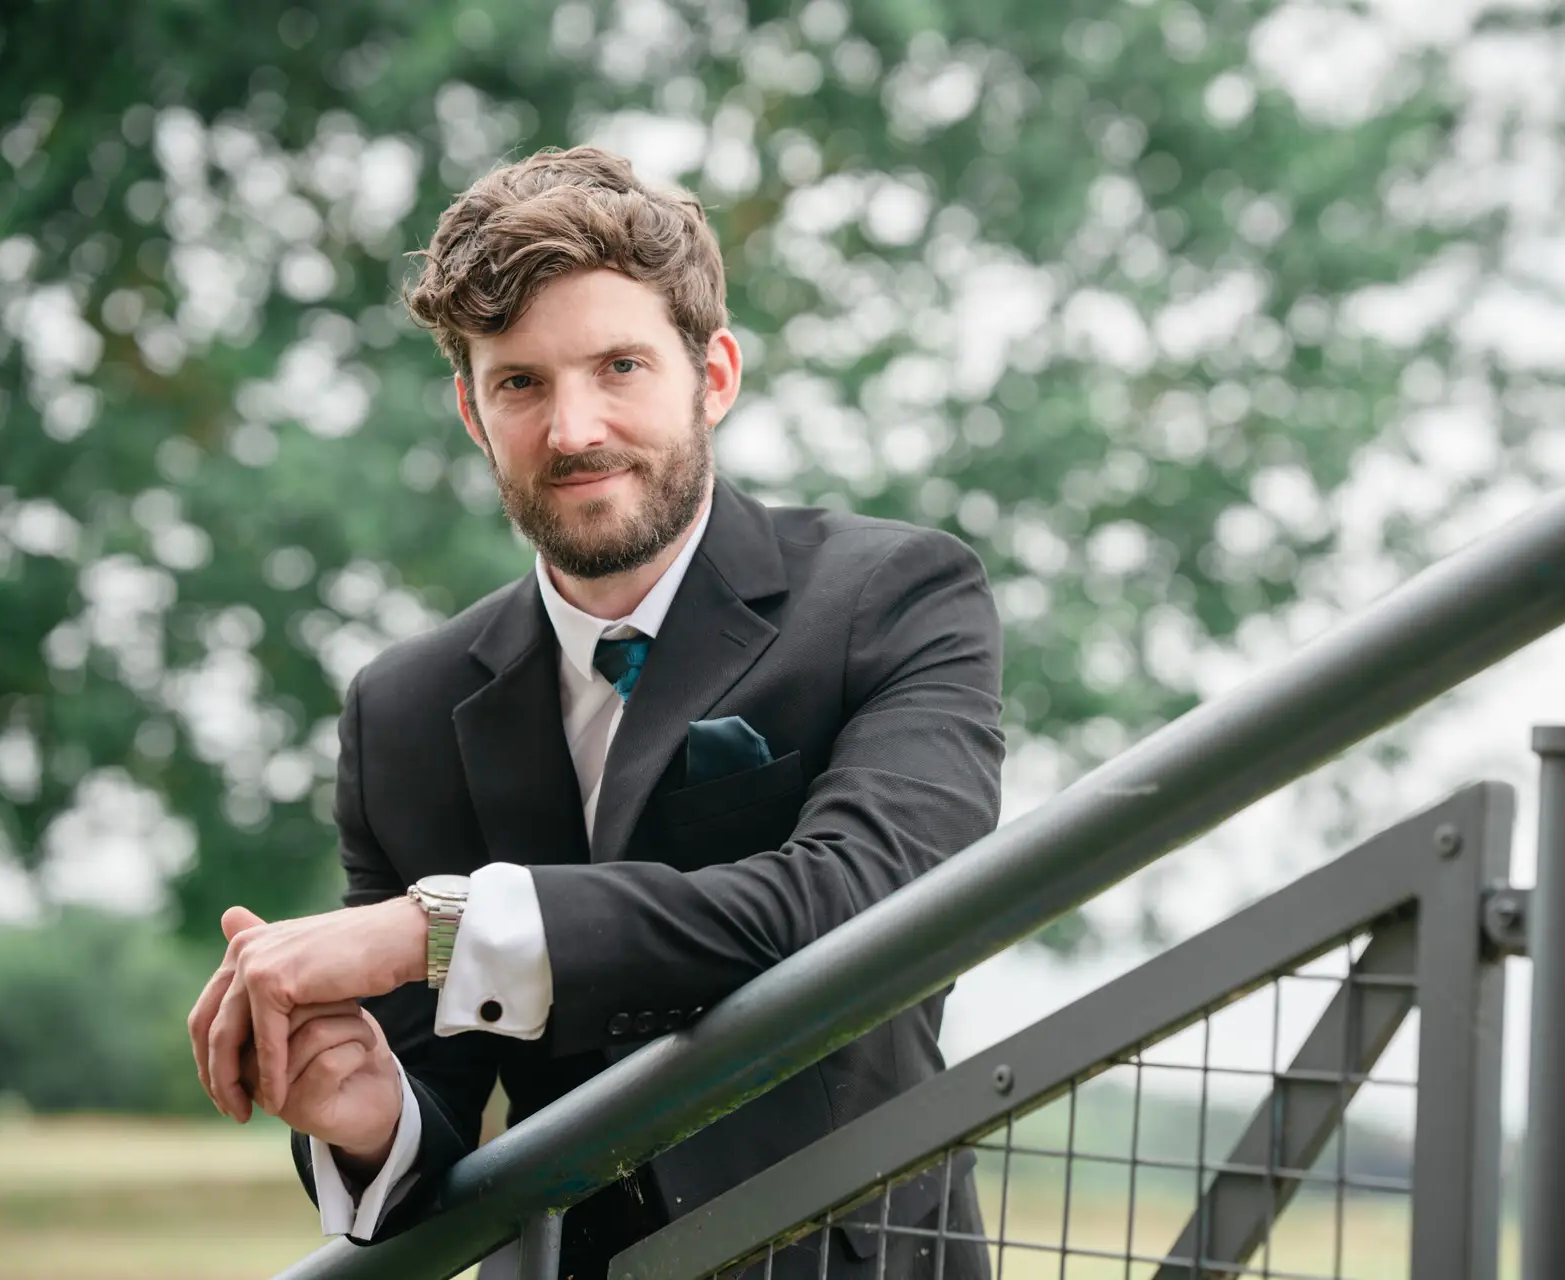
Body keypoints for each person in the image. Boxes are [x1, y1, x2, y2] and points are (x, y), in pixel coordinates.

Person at [184, 145, 1004, 1280]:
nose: (573, 430)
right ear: (472, 411)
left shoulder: (895, 595)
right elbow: (434, 1112)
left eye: (619, 366)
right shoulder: (402, 710)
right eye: (520, 383)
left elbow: (865, 902)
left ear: (714, 375)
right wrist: (368, 1112)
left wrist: (439, 929)